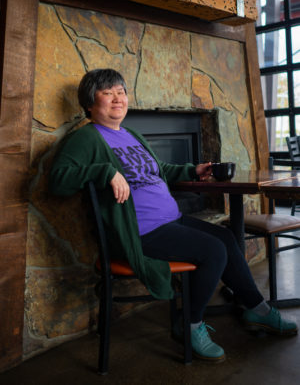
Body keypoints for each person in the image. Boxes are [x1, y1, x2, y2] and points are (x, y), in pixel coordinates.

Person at [50, 68, 298, 363]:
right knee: (213, 251)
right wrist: (105, 172)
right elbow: (58, 180)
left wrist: (193, 170)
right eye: (108, 93)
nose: (118, 98)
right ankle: (189, 324)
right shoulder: (86, 138)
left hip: (170, 221)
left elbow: (160, 171)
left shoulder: (130, 135)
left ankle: (256, 310)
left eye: (122, 91)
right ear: (90, 103)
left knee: (226, 238)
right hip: (139, 232)